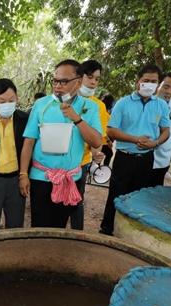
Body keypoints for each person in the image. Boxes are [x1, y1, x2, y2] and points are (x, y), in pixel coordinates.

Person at [19, 59, 103, 228]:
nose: (58, 86)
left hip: (70, 178)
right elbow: (29, 142)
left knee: (59, 227)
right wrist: (23, 174)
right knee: (39, 227)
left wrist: (76, 118)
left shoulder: (90, 106)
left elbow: (96, 141)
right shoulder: (41, 105)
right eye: (55, 81)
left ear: (78, 82)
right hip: (41, 177)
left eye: (64, 81)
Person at [99, 65, 170, 236]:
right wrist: (135, 139)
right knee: (116, 194)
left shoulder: (161, 105)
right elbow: (111, 131)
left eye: (154, 81)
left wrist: (155, 143)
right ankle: (107, 229)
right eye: (146, 80)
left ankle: (129, 233)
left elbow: (165, 130)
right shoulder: (123, 103)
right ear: (137, 81)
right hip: (125, 158)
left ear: (158, 84)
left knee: (138, 196)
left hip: (146, 158)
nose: (149, 84)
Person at [70, 60, 110, 230]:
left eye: (97, 79)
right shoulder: (66, 98)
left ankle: (77, 236)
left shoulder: (99, 106)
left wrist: (96, 153)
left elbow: (97, 137)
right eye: (90, 77)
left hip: (81, 162)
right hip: (59, 161)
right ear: (79, 77)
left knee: (77, 201)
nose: (93, 82)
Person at [0, 78, 29, 229]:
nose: (7, 105)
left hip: (16, 180)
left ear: (17, 97)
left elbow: (28, 149)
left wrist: (24, 175)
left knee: (15, 224)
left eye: (11, 100)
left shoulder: (25, 120)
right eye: (2, 101)